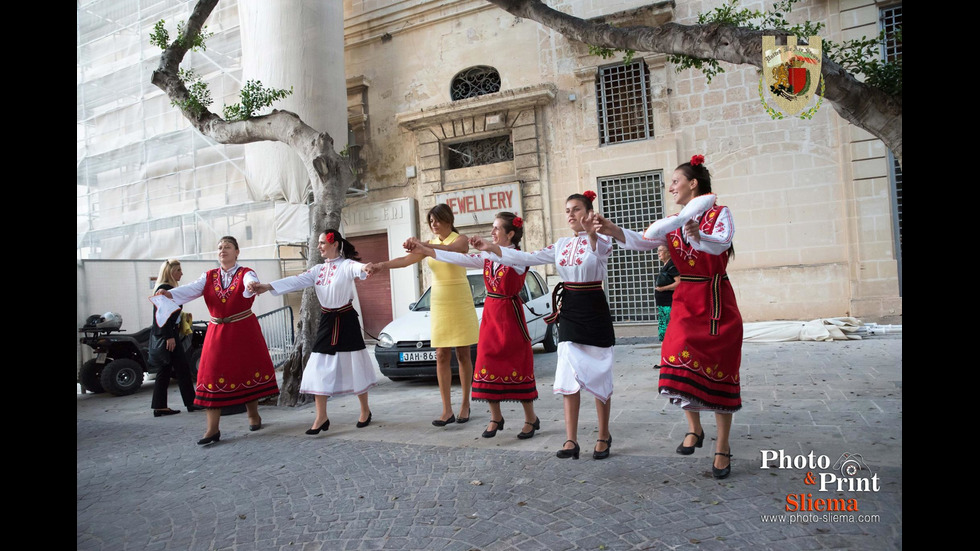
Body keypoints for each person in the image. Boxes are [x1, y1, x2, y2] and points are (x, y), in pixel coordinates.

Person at [595, 155, 742, 478]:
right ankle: (695, 428)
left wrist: (699, 237)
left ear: (693, 183)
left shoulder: (720, 213)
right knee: (677, 361)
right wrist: (613, 229)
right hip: (686, 303)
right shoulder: (673, 222)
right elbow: (642, 241)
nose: (671, 187)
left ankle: (723, 446)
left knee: (720, 372)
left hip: (715, 301)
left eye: (675, 181)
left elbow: (722, 244)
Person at [471, 192, 615, 460]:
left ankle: (603, 434)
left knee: (599, 371)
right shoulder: (560, 244)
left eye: (576, 209)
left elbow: (597, 252)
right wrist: (490, 248)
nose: (571, 214)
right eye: (567, 210)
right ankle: (571, 439)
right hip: (570, 306)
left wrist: (592, 233)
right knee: (567, 369)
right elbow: (526, 258)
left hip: (594, 306)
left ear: (589, 212)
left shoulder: (603, 239)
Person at [406, 212, 541, 439]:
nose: (492, 232)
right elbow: (459, 259)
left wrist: (487, 248)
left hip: (510, 315)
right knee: (486, 362)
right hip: (491, 315)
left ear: (510, 233)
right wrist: (426, 249)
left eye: (497, 228)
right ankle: (495, 416)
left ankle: (531, 418)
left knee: (517, 364)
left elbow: (504, 257)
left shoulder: (519, 258)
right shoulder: (488, 257)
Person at [249, 229, 376, 434]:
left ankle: (365, 410)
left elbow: (357, 268)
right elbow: (296, 280)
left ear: (334, 244)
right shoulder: (317, 270)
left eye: (322, 243)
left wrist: (366, 267)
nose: (319, 247)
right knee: (317, 366)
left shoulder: (345, 265)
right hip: (327, 321)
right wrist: (267, 286)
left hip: (346, 320)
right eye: (318, 243)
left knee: (355, 364)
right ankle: (321, 416)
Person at [155, 236, 279, 445]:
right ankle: (212, 429)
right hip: (217, 331)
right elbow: (191, 290)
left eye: (228, 247)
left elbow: (250, 283)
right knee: (211, 374)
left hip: (243, 330)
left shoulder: (246, 273)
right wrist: (170, 293)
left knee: (246, 371)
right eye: (220, 247)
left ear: (237, 252)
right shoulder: (209, 276)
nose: (223, 250)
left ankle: (253, 416)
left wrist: (251, 286)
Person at [368, 204, 479, 426]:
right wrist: (381, 265)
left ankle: (465, 403)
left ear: (448, 219)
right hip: (439, 300)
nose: (433, 224)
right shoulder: (430, 245)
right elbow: (404, 260)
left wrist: (422, 245)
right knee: (440, 355)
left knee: (463, 354)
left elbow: (452, 252)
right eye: (430, 221)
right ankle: (446, 409)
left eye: (437, 220)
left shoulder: (461, 239)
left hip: (459, 299)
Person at [148, 259, 200, 416]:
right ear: (171, 272)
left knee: (165, 369)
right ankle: (191, 403)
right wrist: (169, 337)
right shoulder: (165, 289)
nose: (181, 273)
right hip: (169, 335)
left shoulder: (164, 288)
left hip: (167, 334)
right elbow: (162, 316)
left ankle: (160, 406)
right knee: (182, 369)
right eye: (178, 270)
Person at [654, 245, 681, 349]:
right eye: (658, 250)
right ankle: (664, 358)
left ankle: (668, 357)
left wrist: (663, 288)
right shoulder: (666, 265)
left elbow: (679, 283)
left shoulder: (671, 265)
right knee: (663, 331)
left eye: (661, 250)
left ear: (669, 252)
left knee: (667, 330)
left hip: (668, 305)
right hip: (663, 305)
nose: (658, 253)